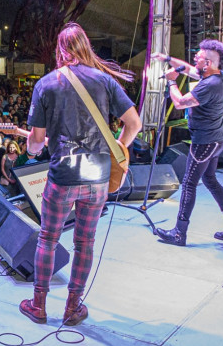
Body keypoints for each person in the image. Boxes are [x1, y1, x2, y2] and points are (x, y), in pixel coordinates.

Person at [19, 22, 141, 326]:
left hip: (64, 176)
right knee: (85, 243)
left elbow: (36, 140)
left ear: (60, 51)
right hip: (97, 176)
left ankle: (39, 305)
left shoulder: (46, 84)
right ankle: (72, 307)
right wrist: (119, 150)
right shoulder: (105, 81)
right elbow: (134, 123)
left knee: (48, 238)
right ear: (85, 47)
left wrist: (32, 151)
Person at [153, 39, 223, 246]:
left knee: (188, 184)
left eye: (200, 56)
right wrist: (167, 59)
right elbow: (187, 69)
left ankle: (179, 233)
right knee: (210, 180)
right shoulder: (219, 75)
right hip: (217, 139)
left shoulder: (209, 85)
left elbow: (179, 102)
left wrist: (171, 81)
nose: (195, 57)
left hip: (205, 142)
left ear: (209, 63)